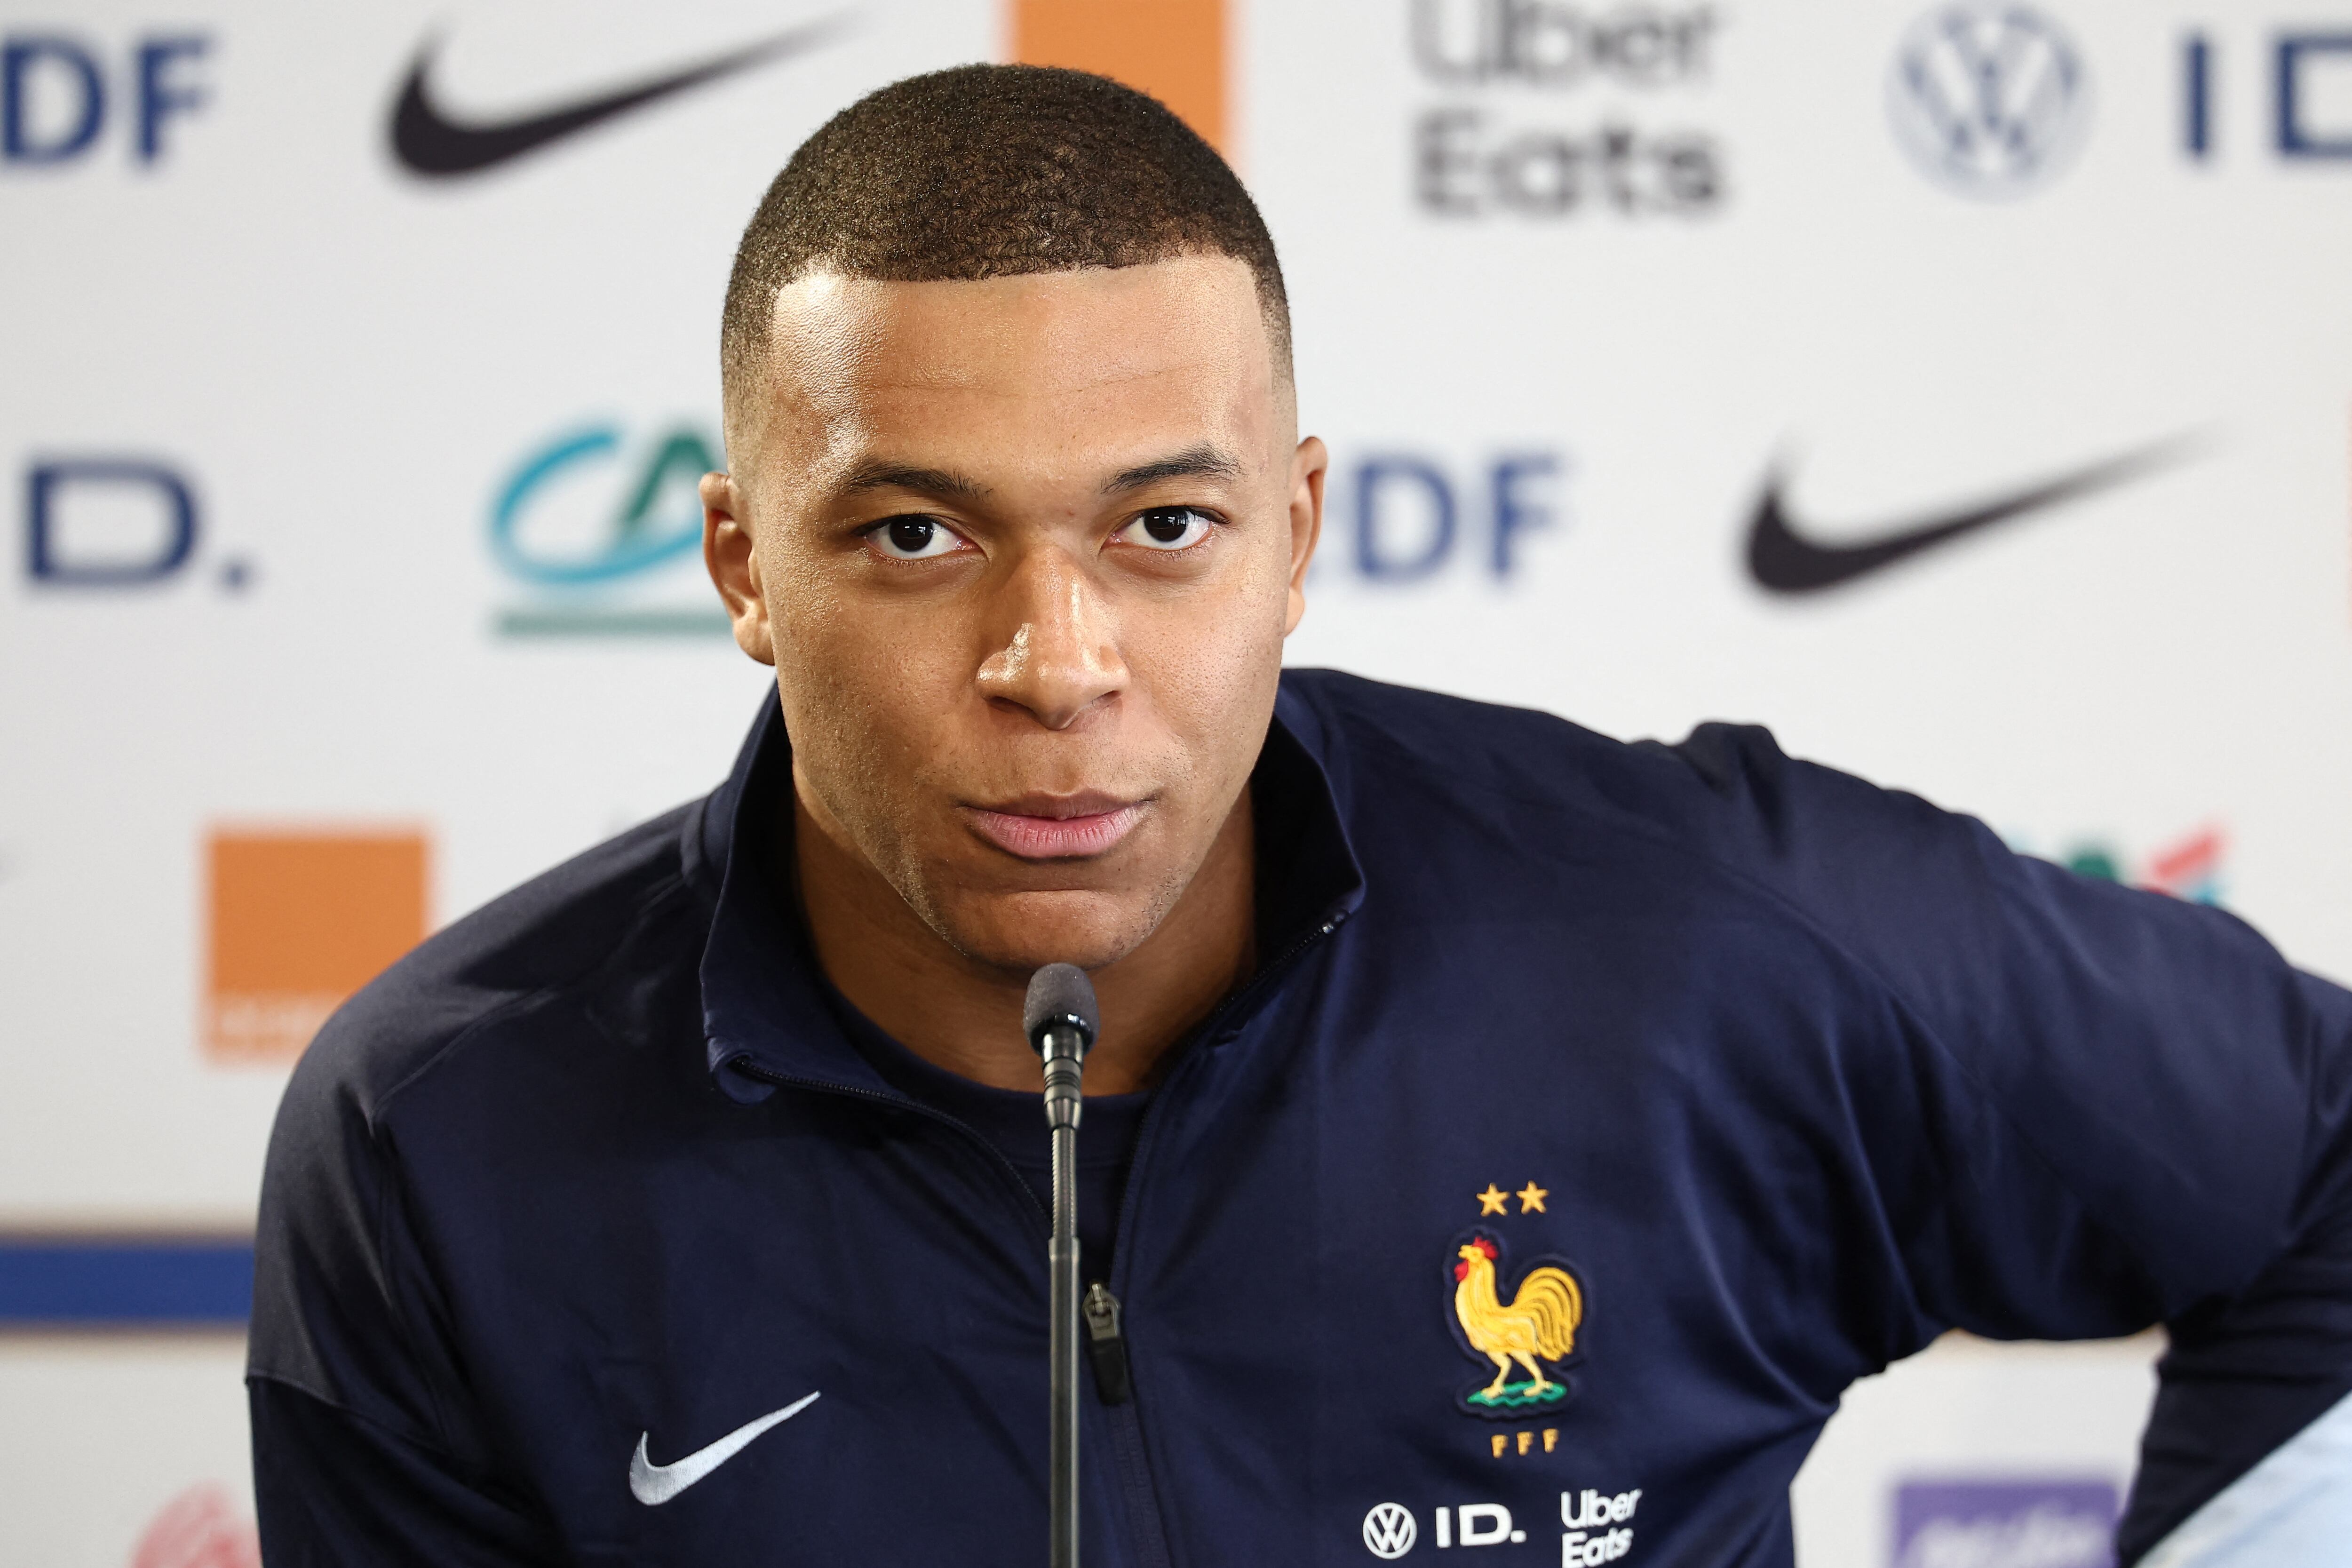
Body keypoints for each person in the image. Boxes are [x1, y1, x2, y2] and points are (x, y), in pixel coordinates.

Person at [247, 64, 2352, 1566]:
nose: (1054, 658)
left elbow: (2321, 1155)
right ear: (738, 571)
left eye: (1163, 526)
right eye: (909, 536)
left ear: (1296, 535)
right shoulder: (449, 1134)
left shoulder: (1693, 945)